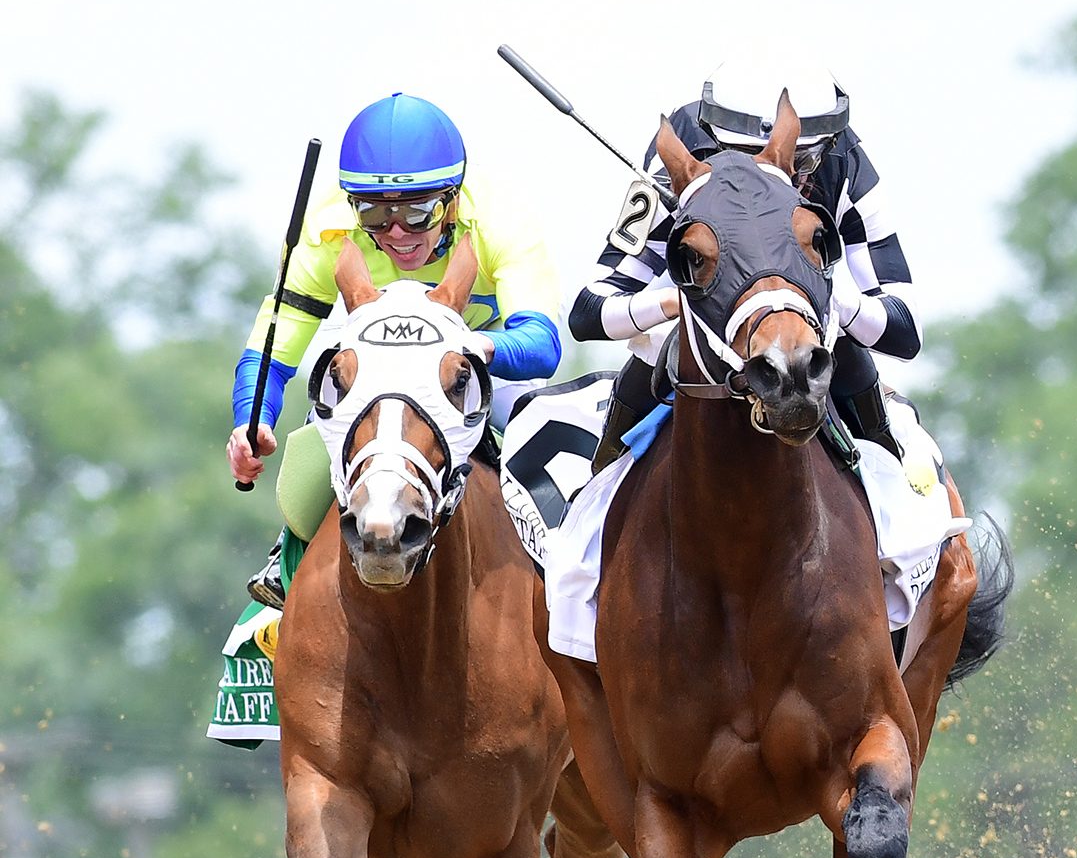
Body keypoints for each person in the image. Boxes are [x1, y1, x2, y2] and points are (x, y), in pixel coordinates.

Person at [226, 93, 561, 607]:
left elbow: (542, 345)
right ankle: (284, 573)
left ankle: (579, 577)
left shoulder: (501, 220)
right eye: (376, 214)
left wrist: (469, 347)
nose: (397, 233)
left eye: (419, 212)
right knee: (315, 444)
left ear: (452, 199)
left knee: (552, 434)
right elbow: (272, 349)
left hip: (478, 367)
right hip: (380, 370)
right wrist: (251, 420)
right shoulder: (327, 229)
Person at [569, 59, 938, 486]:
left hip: (811, 331)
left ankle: (896, 494)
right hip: (705, 332)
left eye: (801, 159)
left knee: (848, 355)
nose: (769, 177)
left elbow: (905, 331)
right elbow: (589, 310)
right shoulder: (680, 157)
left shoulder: (845, 162)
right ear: (712, 139)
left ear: (827, 144)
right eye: (742, 158)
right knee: (654, 351)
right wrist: (680, 301)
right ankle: (597, 490)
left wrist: (815, 296)